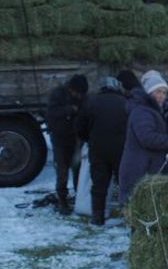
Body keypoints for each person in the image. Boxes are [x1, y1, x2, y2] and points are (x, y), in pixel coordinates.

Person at [118, 70, 168, 205]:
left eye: (164, 92)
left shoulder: (152, 110)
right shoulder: (142, 112)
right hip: (140, 170)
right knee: (140, 208)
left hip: (147, 169)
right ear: (149, 92)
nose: (162, 96)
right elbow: (147, 138)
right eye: (158, 92)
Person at [76, 77, 129, 226]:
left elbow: (80, 127)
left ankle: (97, 217)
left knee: (99, 185)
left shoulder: (90, 102)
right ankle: (128, 215)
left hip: (98, 150)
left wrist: (89, 139)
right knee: (124, 184)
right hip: (121, 150)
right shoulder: (125, 103)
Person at [45, 74, 88, 214]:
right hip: (60, 138)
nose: (79, 96)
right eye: (78, 93)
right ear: (71, 89)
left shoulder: (81, 98)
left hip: (75, 138)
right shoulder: (57, 95)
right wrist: (69, 110)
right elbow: (51, 114)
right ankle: (62, 200)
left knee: (77, 170)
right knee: (62, 171)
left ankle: (79, 198)